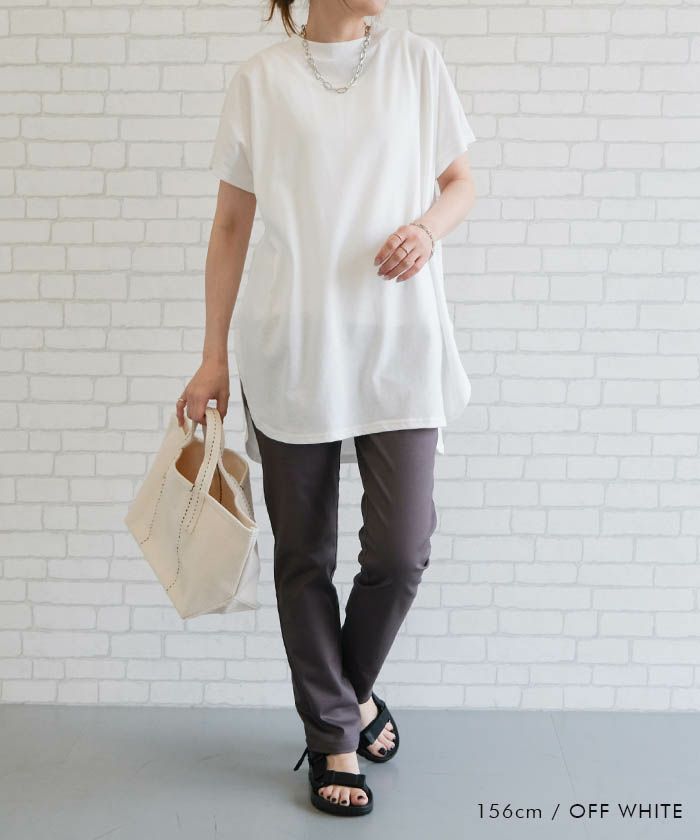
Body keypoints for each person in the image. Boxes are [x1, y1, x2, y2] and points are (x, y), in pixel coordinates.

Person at [176, 0, 477, 818]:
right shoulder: (261, 80)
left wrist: (427, 230)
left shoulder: (416, 62)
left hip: (400, 344)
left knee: (402, 550)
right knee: (303, 555)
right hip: (294, 346)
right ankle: (334, 734)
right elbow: (231, 224)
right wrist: (213, 355)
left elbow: (460, 182)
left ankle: (347, 694)